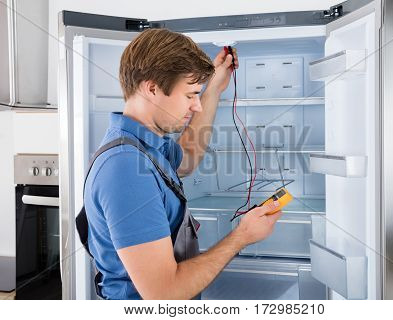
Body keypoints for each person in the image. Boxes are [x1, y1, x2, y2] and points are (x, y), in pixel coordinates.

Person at [82, 28, 282, 300]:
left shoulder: (143, 142)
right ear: (151, 88)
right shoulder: (125, 168)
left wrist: (213, 90)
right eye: (190, 95)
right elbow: (164, 294)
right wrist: (242, 236)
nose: (196, 106)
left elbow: (186, 159)